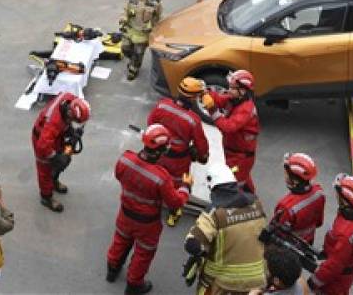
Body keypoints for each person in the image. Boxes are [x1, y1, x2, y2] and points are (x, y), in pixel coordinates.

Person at [106, 125, 191, 295]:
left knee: (120, 241)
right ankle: (134, 285)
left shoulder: (125, 159)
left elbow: (119, 175)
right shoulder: (161, 177)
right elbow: (175, 203)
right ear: (160, 150)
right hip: (147, 224)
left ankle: (112, 269)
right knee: (144, 253)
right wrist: (185, 188)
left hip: (125, 213)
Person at [184, 163, 267, 295]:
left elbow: (192, 244)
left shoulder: (214, 213)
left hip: (224, 283)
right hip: (258, 280)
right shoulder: (257, 204)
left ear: (213, 187)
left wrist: (203, 253)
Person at [147, 76, 209, 226]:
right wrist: (202, 156)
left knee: (157, 176)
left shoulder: (162, 105)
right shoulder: (193, 120)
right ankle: (174, 211)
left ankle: (154, 201)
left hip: (158, 153)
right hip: (179, 160)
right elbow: (201, 145)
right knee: (178, 184)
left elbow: (151, 124)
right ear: (193, 98)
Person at [308, 175, 353, 295]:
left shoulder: (345, 236)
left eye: (338, 194)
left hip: (336, 279)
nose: (336, 195)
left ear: (346, 201)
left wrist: (313, 282)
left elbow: (333, 267)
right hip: (349, 269)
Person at [32, 91, 90, 212]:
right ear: (70, 113)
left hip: (56, 136)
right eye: (73, 120)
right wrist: (54, 157)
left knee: (64, 159)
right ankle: (46, 197)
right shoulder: (52, 122)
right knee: (45, 169)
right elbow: (43, 146)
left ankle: (53, 180)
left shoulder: (70, 99)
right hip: (41, 141)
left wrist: (71, 130)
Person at [207, 69, 261, 193]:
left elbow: (228, 127)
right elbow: (220, 99)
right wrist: (206, 93)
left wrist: (212, 111)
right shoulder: (234, 99)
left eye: (232, 88)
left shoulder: (246, 109)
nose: (229, 90)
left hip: (240, 157)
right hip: (234, 153)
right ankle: (252, 199)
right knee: (243, 177)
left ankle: (242, 206)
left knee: (235, 183)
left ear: (242, 91)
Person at [270, 153, 325, 247]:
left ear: (294, 181)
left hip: (289, 249)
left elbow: (278, 234)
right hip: (308, 243)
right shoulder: (318, 192)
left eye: (286, 173)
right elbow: (319, 222)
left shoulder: (286, 206)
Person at [119, 0, 163, 80]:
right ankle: (132, 60)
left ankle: (133, 70)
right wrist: (123, 20)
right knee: (125, 49)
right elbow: (125, 10)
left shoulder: (156, 2)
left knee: (138, 53)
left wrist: (154, 29)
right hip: (130, 29)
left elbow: (158, 17)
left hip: (143, 33)